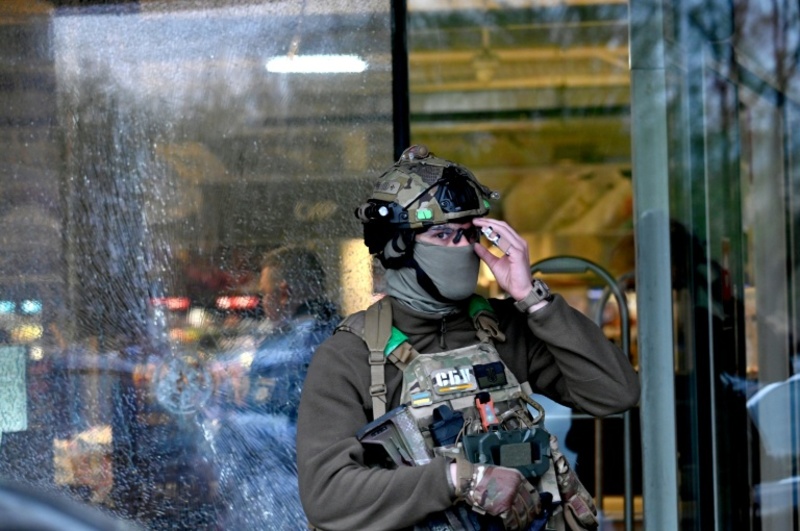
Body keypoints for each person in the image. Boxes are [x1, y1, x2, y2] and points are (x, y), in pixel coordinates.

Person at [296, 145, 640, 531]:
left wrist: (533, 300)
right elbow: (326, 495)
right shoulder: (351, 355)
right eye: (443, 234)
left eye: (468, 234)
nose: (462, 248)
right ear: (397, 247)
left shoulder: (504, 328)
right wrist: (455, 480)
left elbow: (617, 393)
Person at [213, 245, 339, 530]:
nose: (263, 303)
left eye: (264, 294)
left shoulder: (296, 346)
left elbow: (289, 430)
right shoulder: (345, 335)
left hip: (294, 496)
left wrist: (232, 421)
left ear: (284, 292)